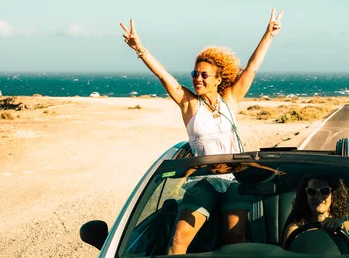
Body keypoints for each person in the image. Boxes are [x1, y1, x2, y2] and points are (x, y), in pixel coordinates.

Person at [120, 8, 284, 255]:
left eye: (204, 74)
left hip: (234, 178)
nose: (197, 78)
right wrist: (139, 48)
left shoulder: (230, 99)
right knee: (178, 241)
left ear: (219, 79)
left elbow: (250, 69)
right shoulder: (190, 104)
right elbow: (164, 76)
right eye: (194, 74)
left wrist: (268, 35)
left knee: (235, 241)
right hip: (203, 180)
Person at [282, 175, 349, 249]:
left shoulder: (348, 227)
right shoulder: (294, 231)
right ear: (306, 195)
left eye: (324, 191)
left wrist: (342, 232)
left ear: (333, 194)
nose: (318, 196)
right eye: (312, 191)